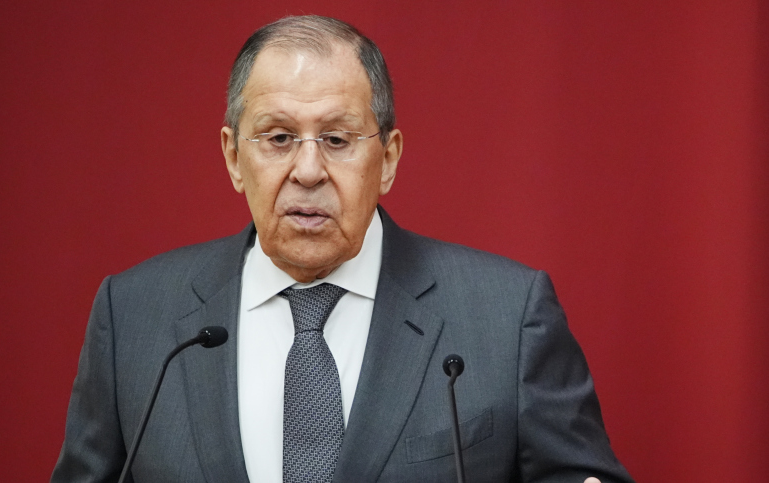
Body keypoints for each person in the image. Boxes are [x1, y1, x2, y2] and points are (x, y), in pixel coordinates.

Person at [52, 15, 634, 483]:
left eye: (337, 138)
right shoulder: (134, 317)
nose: (308, 170)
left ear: (389, 159)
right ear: (233, 157)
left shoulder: (506, 317)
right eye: (279, 138)